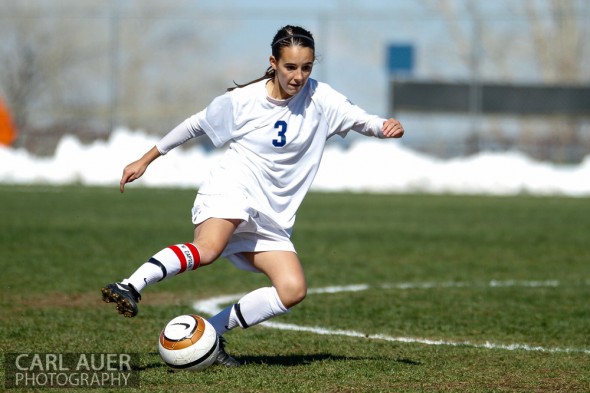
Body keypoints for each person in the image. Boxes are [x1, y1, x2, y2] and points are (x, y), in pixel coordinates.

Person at [101, 25, 404, 367]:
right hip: (233, 188)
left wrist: (383, 127)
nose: (299, 76)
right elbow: (194, 125)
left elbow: (361, 119)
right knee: (209, 249)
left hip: (270, 214)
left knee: (292, 290)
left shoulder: (322, 99)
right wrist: (147, 158)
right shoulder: (244, 100)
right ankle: (131, 284)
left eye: (306, 67)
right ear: (273, 62)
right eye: (291, 67)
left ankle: (209, 336)